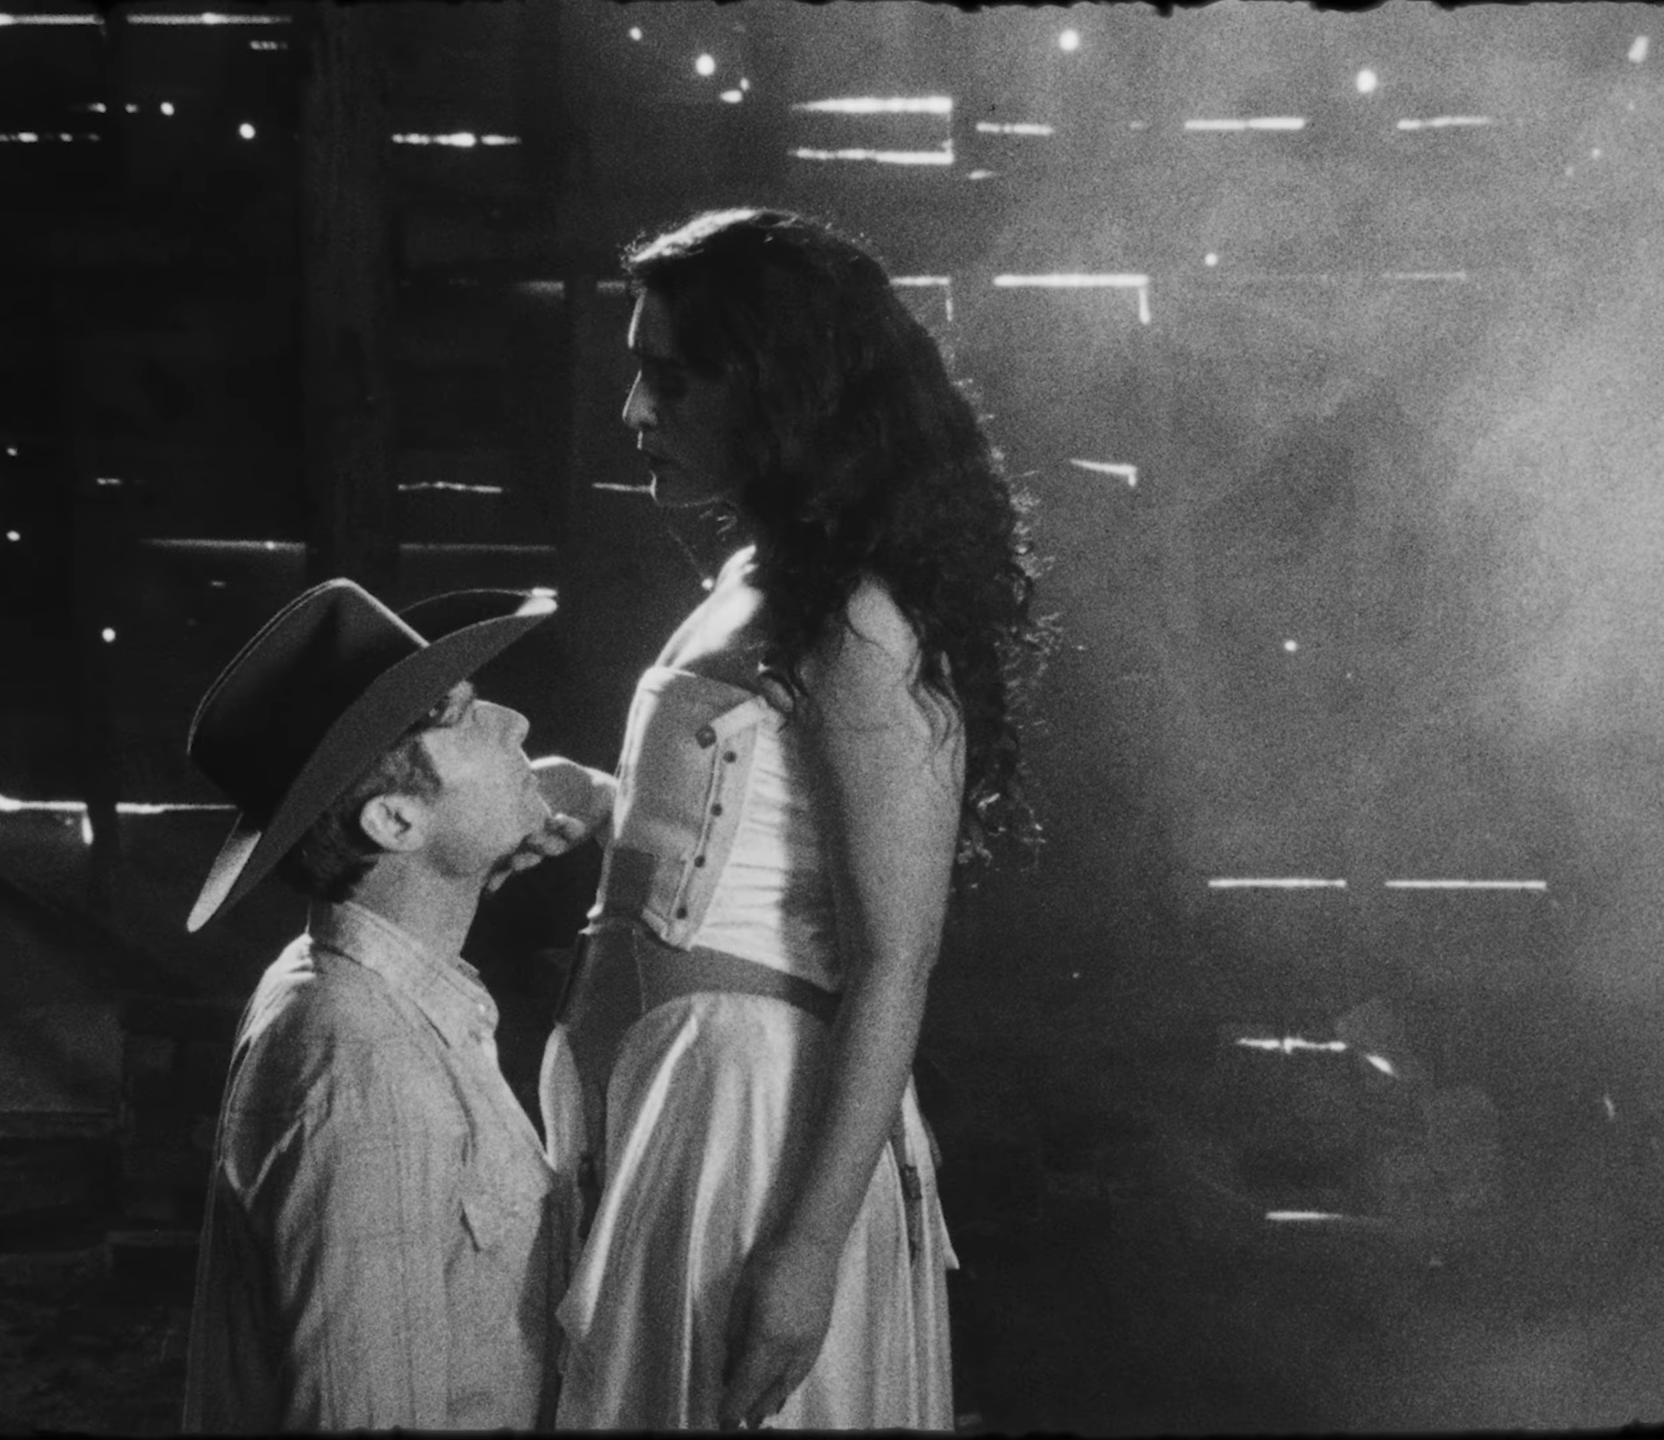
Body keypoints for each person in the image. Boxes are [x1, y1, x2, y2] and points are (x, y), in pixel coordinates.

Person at [539, 208, 1045, 1429]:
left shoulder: (860, 617)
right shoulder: (755, 577)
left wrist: (806, 1250)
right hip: (674, 1103)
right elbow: (754, 837)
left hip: (756, 1120)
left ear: (772, 387)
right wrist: (604, 804)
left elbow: (894, 958)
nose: (634, 410)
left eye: (669, 377)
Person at [177, 579, 610, 1432]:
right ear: (396, 822)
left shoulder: (385, 997)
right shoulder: (361, 1058)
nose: (517, 723)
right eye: (464, 715)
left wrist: (583, 799)